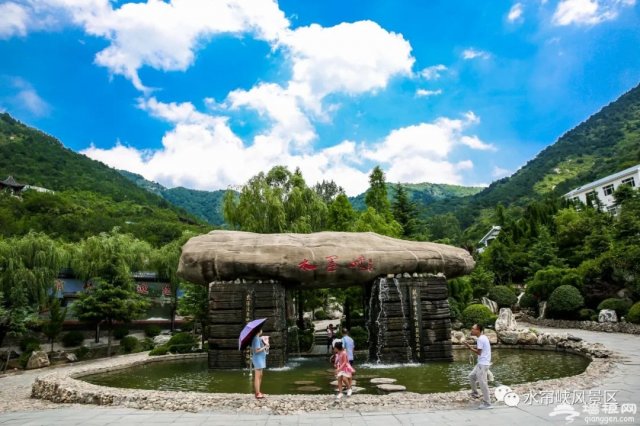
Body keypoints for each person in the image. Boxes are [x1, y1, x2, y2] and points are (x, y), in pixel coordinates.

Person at [464, 323, 492, 409]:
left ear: (478, 330)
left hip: (483, 364)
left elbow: (479, 352)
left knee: (483, 383)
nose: (471, 330)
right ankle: (475, 393)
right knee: (471, 376)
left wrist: (469, 347)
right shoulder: (483, 337)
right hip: (481, 363)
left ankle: (487, 403)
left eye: (473, 328)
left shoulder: (480, 339)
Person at [251, 326, 269, 399]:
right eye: (260, 329)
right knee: (257, 376)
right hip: (258, 359)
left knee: (260, 375)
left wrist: (266, 345)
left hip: (260, 359)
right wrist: (265, 347)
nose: (261, 330)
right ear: (258, 331)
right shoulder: (256, 339)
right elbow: (256, 350)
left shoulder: (258, 338)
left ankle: (259, 391)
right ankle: (257, 393)